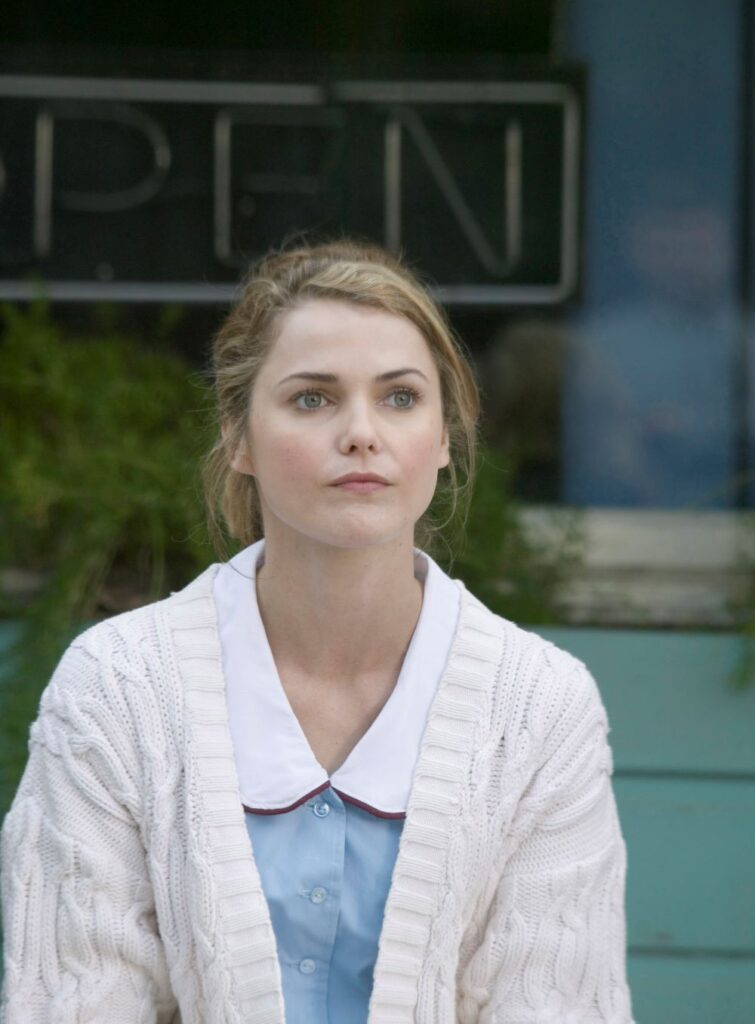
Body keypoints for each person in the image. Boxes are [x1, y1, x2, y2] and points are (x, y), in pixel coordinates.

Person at [0, 239, 635, 1023]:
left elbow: (552, 1006)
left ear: (443, 437)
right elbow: (74, 1003)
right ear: (237, 437)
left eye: (400, 397)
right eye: (312, 398)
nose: (361, 433)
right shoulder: (119, 688)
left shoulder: (539, 708)